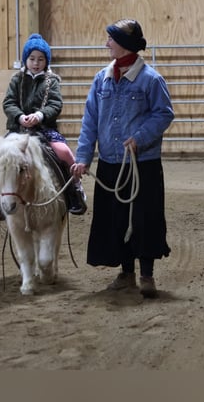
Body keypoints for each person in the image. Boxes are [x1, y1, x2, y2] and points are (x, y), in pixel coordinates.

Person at [71, 19, 174, 298]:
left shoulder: (151, 79)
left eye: (111, 39)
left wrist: (139, 138)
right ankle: (127, 273)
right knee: (117, 219)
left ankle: (147, 275)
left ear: (124, 44)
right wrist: (83, 158)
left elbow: (164, 113)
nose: (106, 44)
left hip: (142, 165)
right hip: (111, 163)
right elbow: (90, 120)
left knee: (144, 218)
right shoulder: (101, 79)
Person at [0, 33, 87, 220]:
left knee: (64, 152)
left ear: (46, 61)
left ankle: (75, 189)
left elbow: (55, 104)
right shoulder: (17, 80)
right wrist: (20, 116)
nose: (36, 63)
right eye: (32, 59)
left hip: (44, 129)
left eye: (40, 59)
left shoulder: (52, 81)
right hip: (19, 130)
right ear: (26, 59)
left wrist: (40, 115)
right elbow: (9, 102)